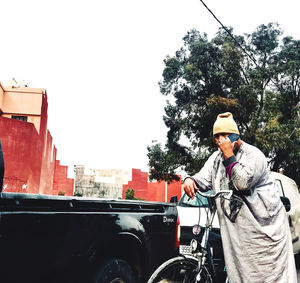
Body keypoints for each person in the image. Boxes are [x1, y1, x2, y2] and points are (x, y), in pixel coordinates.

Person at [183, 112, 297, 283]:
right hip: (239, 234)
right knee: (242, 275)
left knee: (270, 276)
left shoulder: (254, 155)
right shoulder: (215, 159)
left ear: (235, 136)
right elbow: (203, 178)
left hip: (265, 233)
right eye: (217, 136)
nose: (220, 140)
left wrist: (230, 156)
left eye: (224, 135)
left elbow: (242, 183)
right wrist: (190, 180)